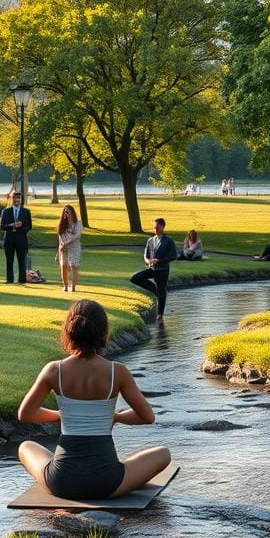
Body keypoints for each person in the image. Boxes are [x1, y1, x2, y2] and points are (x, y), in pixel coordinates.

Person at [17, 300, 171, 499]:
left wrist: (60, 416)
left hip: (62, 482)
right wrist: (115, 417)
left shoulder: (54, 370)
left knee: (25, 447)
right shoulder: (118, 372)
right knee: (163, 453)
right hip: (107, 483)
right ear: (103, 332)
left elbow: (25, 414)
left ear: (68, 331)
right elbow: (147, 417)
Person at [129, 218, 177, 320]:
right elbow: (146, 256)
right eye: (154, 227)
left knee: (162, 290)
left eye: (157, 227)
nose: (155, 228)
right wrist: (148, 261)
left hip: (163, 270)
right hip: (152, 269)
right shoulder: (150, 240)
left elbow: (173, 256)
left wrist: (159, 260)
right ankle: (154, 290)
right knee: (135, 278)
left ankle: (160, 314)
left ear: (163, 226)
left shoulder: (168, 241)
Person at [0, 190, 32, 285]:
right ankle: (9, 280)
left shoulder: (26, 211)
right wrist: (12, 225)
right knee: (9, 260)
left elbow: (29, 226)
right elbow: (2, 227)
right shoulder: (6, 211)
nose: (17, 200)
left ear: (21, 199)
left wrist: (21, 226)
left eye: (18, 198)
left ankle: (22, 280)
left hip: (21, 239)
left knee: (22, 260)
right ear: (11, 199)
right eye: (15, 198)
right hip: (9, 239)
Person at [56, 205, 83, 293]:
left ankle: (73, 287)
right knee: (63, 266)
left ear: (72, 213)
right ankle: (65, 286)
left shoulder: (78, 223)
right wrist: (58, 251)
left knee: (73, 266)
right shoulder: (62, 224)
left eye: (68, 212)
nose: (66, 213)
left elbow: (77, 235)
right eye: (65, 211)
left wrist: (67, 243)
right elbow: (60, 238)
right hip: (63, 248)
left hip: (74, 247)